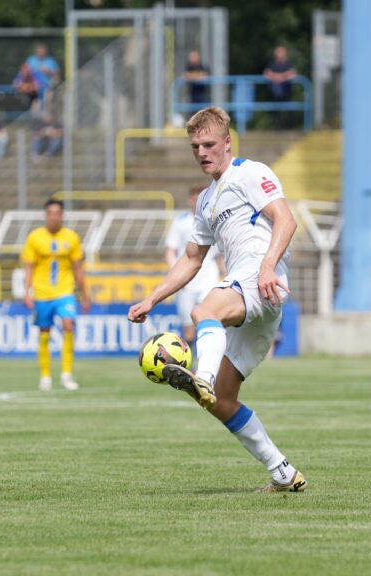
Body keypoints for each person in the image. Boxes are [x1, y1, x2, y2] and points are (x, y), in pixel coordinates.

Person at [128, 106, 307, 493]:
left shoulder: (249, 173)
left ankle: (202, 376)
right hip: (255, 295)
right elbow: (192, 258)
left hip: (261, 275)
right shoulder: (207, 201)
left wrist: (267, 266)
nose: (202, 152)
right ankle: (282, 472)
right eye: (195, 146)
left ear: (227, 142)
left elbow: (286, 219)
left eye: (209, 144)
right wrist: (153, 299)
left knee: (203, 311)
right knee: (220, 401)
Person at [22, 199, 91, 391]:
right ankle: (45, 376)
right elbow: (29, 267)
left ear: (62, 215)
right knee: (44, 332)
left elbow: (78, 268)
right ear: (46, 215)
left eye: (57, 213)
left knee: (68, 324)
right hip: (42, 293)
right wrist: (26, 292)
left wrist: (85, 294)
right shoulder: (35, 237)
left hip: (64, 291)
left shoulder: (71, 237)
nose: (53, 217)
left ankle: (66, 375)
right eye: (50, 213)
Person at [166, 186, 225, 345]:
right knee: (189, 331)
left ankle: (210, 357)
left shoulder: (214, 219)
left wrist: (225, 275)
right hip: (186, 281)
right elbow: (170, 251)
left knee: (209, 320)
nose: (197, 202)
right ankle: (190, 359)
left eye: (200, 198)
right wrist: (176, 275)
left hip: (208, 279)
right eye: (194, 199)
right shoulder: (181, 222)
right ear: (189, 200)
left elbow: (219, 254)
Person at [263, 46, 297, 128]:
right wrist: (283, 76)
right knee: (275, 110)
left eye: (281, 53)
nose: (279, 55)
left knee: (290, 109)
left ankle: (290, 126)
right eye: (278, 53)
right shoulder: (272, 64)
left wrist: (278, 77)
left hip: (287, 91)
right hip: (275, 92)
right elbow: (266, 74)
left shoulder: (288, 64)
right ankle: (276, 127)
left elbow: (293, 74)